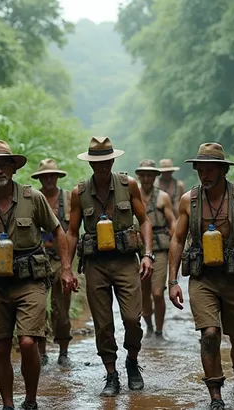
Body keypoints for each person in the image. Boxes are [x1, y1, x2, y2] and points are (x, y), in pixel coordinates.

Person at [0, 141, 77, 410]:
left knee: (27, 342)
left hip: (31, 282)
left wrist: (66, 268)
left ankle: (31, 400)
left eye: (4, 164)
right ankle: (7, 404)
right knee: (0, 348)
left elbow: (58, 230)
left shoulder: (32, 198)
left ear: (13, 168)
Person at [167, 143, 234, 410]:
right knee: (209, 333)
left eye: (209, 170)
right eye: (200, 170)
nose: (204, 175)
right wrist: (172, 281)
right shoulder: (189, 200)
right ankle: (215, 395)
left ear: (222, 171)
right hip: (202, 278)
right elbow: (177, 239)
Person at [66, 136, 154, 397]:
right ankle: (112, 374)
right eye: (97, 161)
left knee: (131, 318)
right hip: (96, 265)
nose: (102, 165)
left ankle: (132, 361)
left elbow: (144, 221)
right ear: (90, 163)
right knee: (103, 323)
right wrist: (66, 269)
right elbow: (72, 232)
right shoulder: (79, 193)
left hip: (126, 261)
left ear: (113, 159)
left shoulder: (129, 185)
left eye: (106, 160)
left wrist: (147, 254)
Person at [31, 158, 75, 367]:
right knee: (37, 307)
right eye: (44, 176)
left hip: (60, 260)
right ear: (40, 178)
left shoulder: (67, 199)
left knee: (61, 308)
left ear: (57, 177)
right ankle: (41, 351)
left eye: (52, 175)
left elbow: (73, 230)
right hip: (36, 261)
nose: (49, 179)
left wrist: (71, 265)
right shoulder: (32, 198)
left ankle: (63, 351)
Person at [135, 159, 176, 340]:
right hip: (137, 249)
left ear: (155, 176)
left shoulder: (162, 197)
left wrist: (176, 246)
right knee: (143, 292)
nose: (146, 179)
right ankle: (149, 326)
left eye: (150, 175)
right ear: (139, 176)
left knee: (157, 292)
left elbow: (172, 221)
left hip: (159, 248)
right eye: (143, 175)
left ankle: (159, 331)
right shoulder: (132, 195)